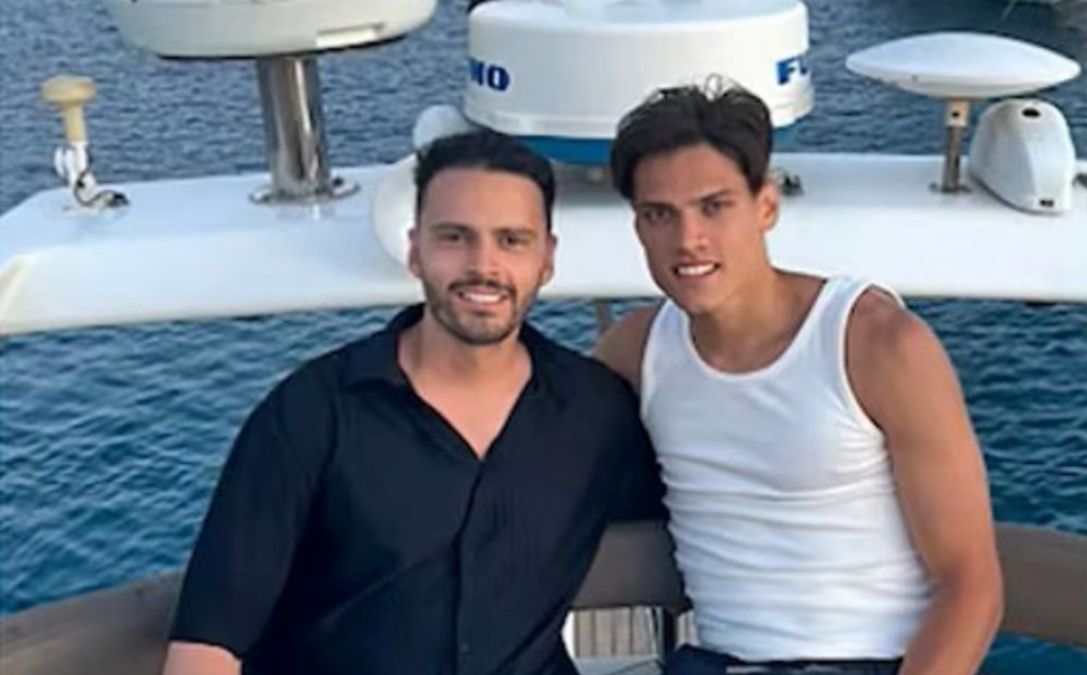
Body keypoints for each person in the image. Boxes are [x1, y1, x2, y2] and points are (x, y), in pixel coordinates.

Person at [162, 130, 663, 675]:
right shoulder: (311, 414)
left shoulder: (595, 414)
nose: (484, 265)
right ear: (415, 250)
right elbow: (207, 646)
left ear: (547, 258)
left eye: (512, 240)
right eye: (455, 237)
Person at [595, 83, 1003, 675]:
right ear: (638, 226)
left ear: (766, 206)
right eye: (661, 214)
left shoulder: (876, 344)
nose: (688, 239)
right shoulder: (636, 351)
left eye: (714, 206)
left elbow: (971, 585)